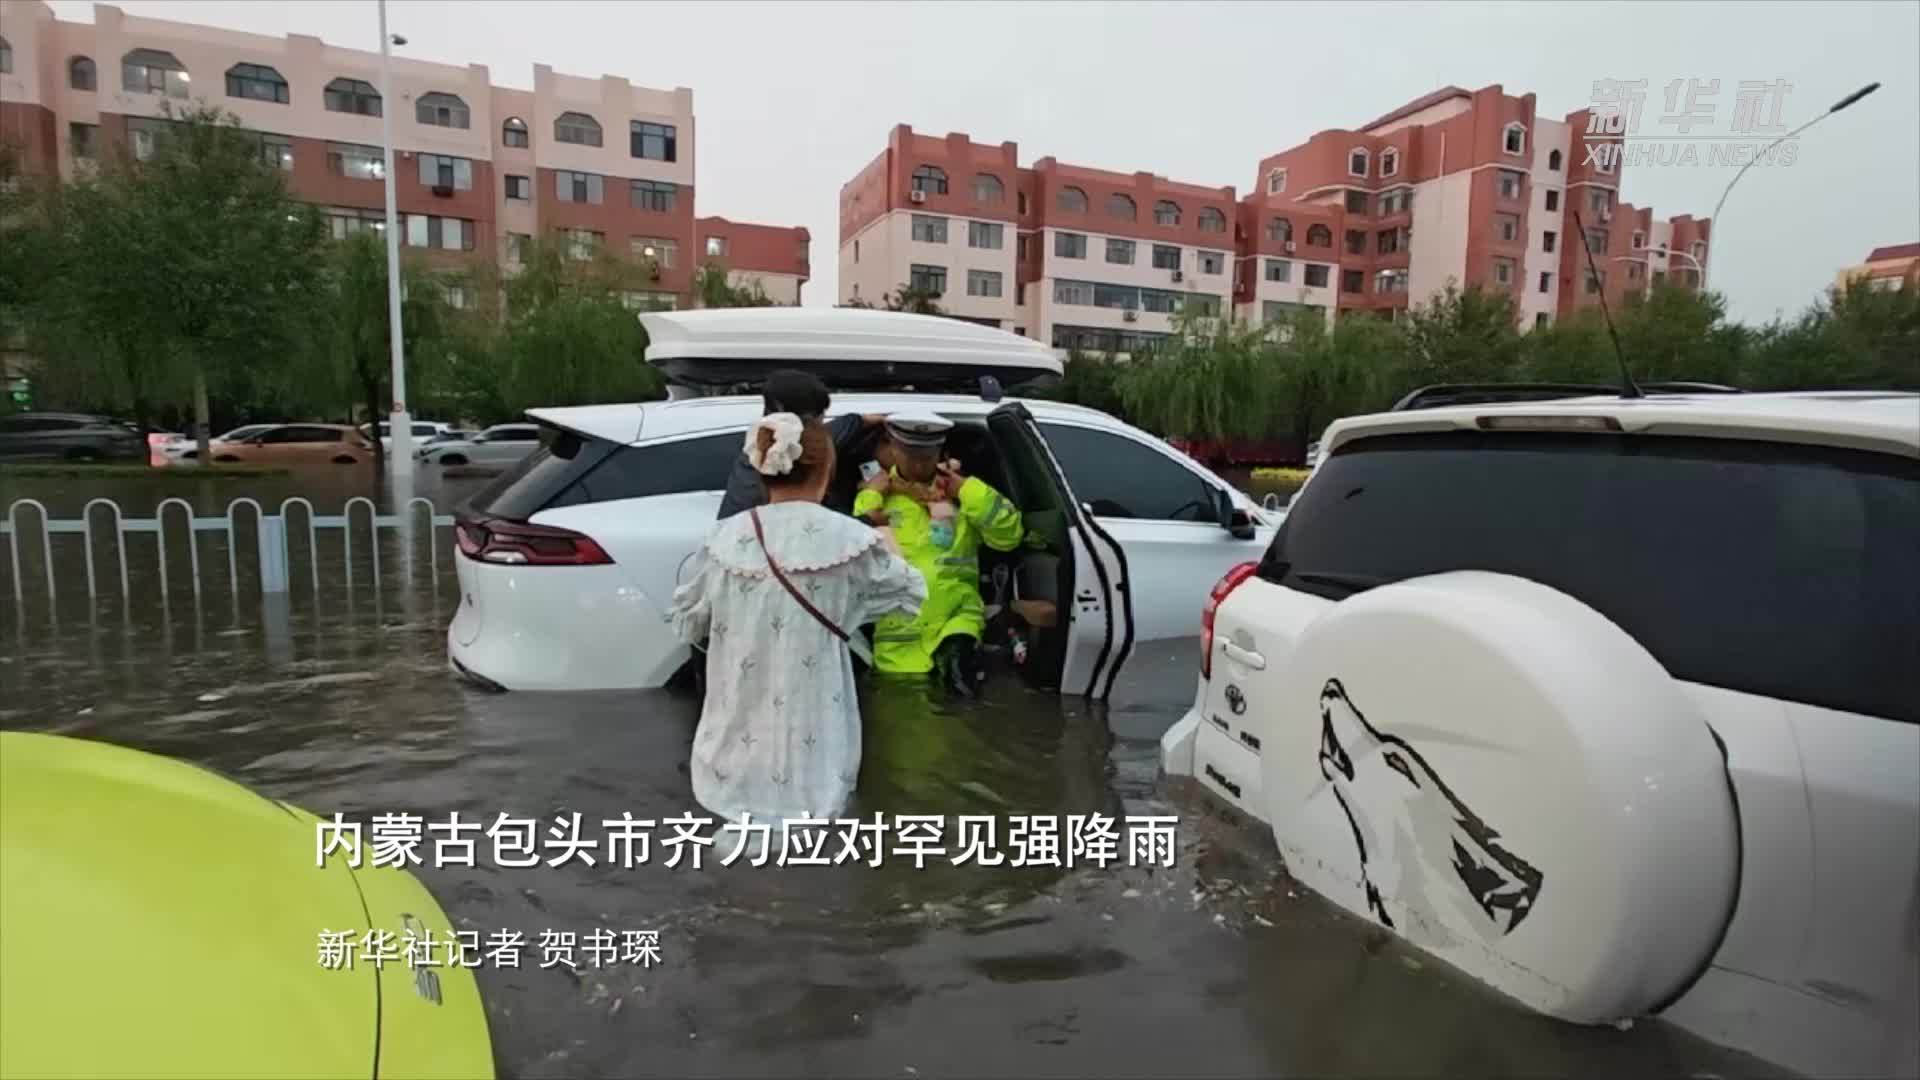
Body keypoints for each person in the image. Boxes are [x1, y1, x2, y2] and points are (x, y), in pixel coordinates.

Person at [670, 413, 927, 827]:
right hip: (817, 733)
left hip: (732, 737)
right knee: (815, 842)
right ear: (828, 470)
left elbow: (690, 620)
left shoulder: (723, 537)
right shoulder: (853, 540)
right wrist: (889, 540)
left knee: (734, 842)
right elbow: (909, 592)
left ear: (762, 472)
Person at [852, 409, 1025, 697]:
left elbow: (1009, 536)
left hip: (956, 627)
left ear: (940, 451)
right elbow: (859, 556)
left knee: (961, 712)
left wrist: (967, 489)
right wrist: (871, 497)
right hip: (899, 642)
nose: (918, 461)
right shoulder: (876, 497)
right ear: (893, 448)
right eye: (909, 452)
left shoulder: (962, 492)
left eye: (927, 453)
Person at [716, 369, 885, 521]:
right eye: (820, 418)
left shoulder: (761, 448)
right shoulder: (781, 474)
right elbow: (821, 531)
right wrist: (869, 518)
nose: (822, 426)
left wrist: (857, 421)